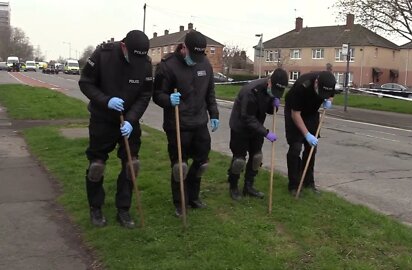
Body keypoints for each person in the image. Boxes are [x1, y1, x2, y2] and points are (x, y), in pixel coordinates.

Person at [78, 30, 153, 228]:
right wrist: (106, 100)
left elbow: (145, 94)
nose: (136, 61)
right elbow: (85, 83)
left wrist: (131, 119)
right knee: (97, 166)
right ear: (123, 46)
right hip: (103, 118)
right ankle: (96, 208)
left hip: (129, 120)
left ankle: (124, 209)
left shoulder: (144, 64)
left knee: (131, 164)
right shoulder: (103, 55)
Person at [153, 30, 219, 217]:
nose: (196, 59)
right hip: (177, 124)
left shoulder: (204, 63)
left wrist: (214, 113)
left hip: (200, 122)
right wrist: (167, 99)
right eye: (193, 54)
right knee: (179, 166)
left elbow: (210, 92)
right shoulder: (167, 66)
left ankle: (193, 196)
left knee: (202, 162)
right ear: (184, 48)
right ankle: (180, 202)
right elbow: (157, 94)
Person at [227, 68, 288, 200]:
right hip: (241, 127)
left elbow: (269, 111)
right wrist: (266, 133)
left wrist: (274, 105)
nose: (275, 94)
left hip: (257, 127)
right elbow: (247, 118)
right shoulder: (251, 91)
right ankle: (233, 186)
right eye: (275, 91)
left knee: (256, 157)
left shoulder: (272, 91)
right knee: (239, 160)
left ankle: (248, 186)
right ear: (270, 81)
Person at [284, 71, 336, 195]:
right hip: (295, 111)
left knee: (311, 148)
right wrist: (307, 134)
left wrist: (329, 101)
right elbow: (295, 114)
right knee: (295, 147)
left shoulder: (330, 82)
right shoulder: (302, 86)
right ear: (316, 82)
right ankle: (294, 185)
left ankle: (308, 182)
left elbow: (331, 95)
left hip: (312, 113)